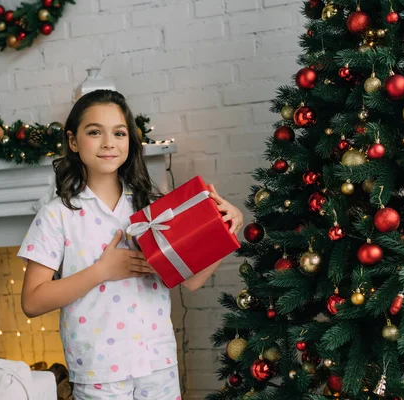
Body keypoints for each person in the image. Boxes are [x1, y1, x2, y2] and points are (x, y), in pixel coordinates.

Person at [19, 90, 243, 400]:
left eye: (119, 133)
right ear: (73, 141)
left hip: (157, 365)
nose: (108, 142)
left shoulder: (153, 210)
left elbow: (191, 280)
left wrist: (226, 230)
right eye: (95, 132)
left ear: (130, 141)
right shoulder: (57, 215)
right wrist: (102, 270)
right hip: (97, 371)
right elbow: (32, 301)